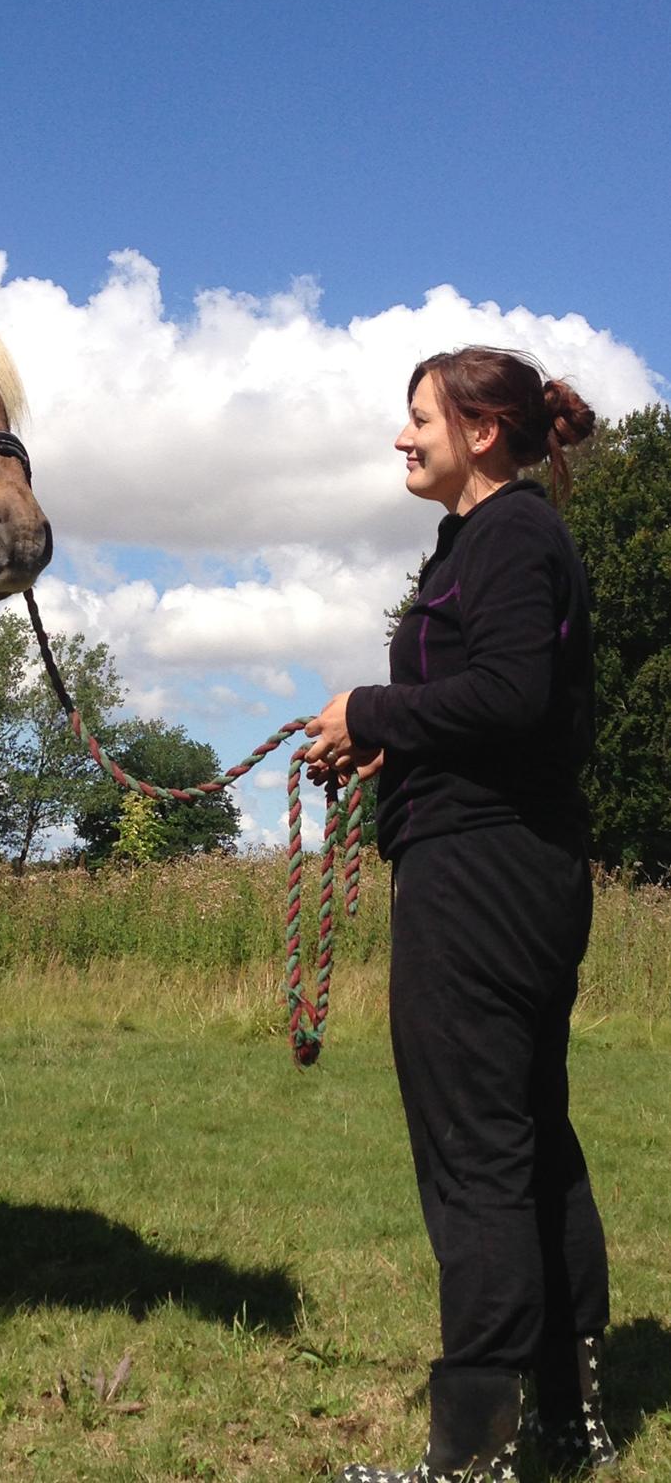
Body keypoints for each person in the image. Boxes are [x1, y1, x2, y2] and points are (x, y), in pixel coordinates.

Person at [304, 346, 615, 1482]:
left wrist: (368, 705)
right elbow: (495, 705)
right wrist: (387, 742)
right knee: (530, 1136)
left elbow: (511, 693)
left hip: (481, 877)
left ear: (483, 431)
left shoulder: (513, 536)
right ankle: (569, 1417)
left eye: (420, 417)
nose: (403, 436)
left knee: (475, 1150)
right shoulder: (483, 542)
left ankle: (475, 1457)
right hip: (509, 861)